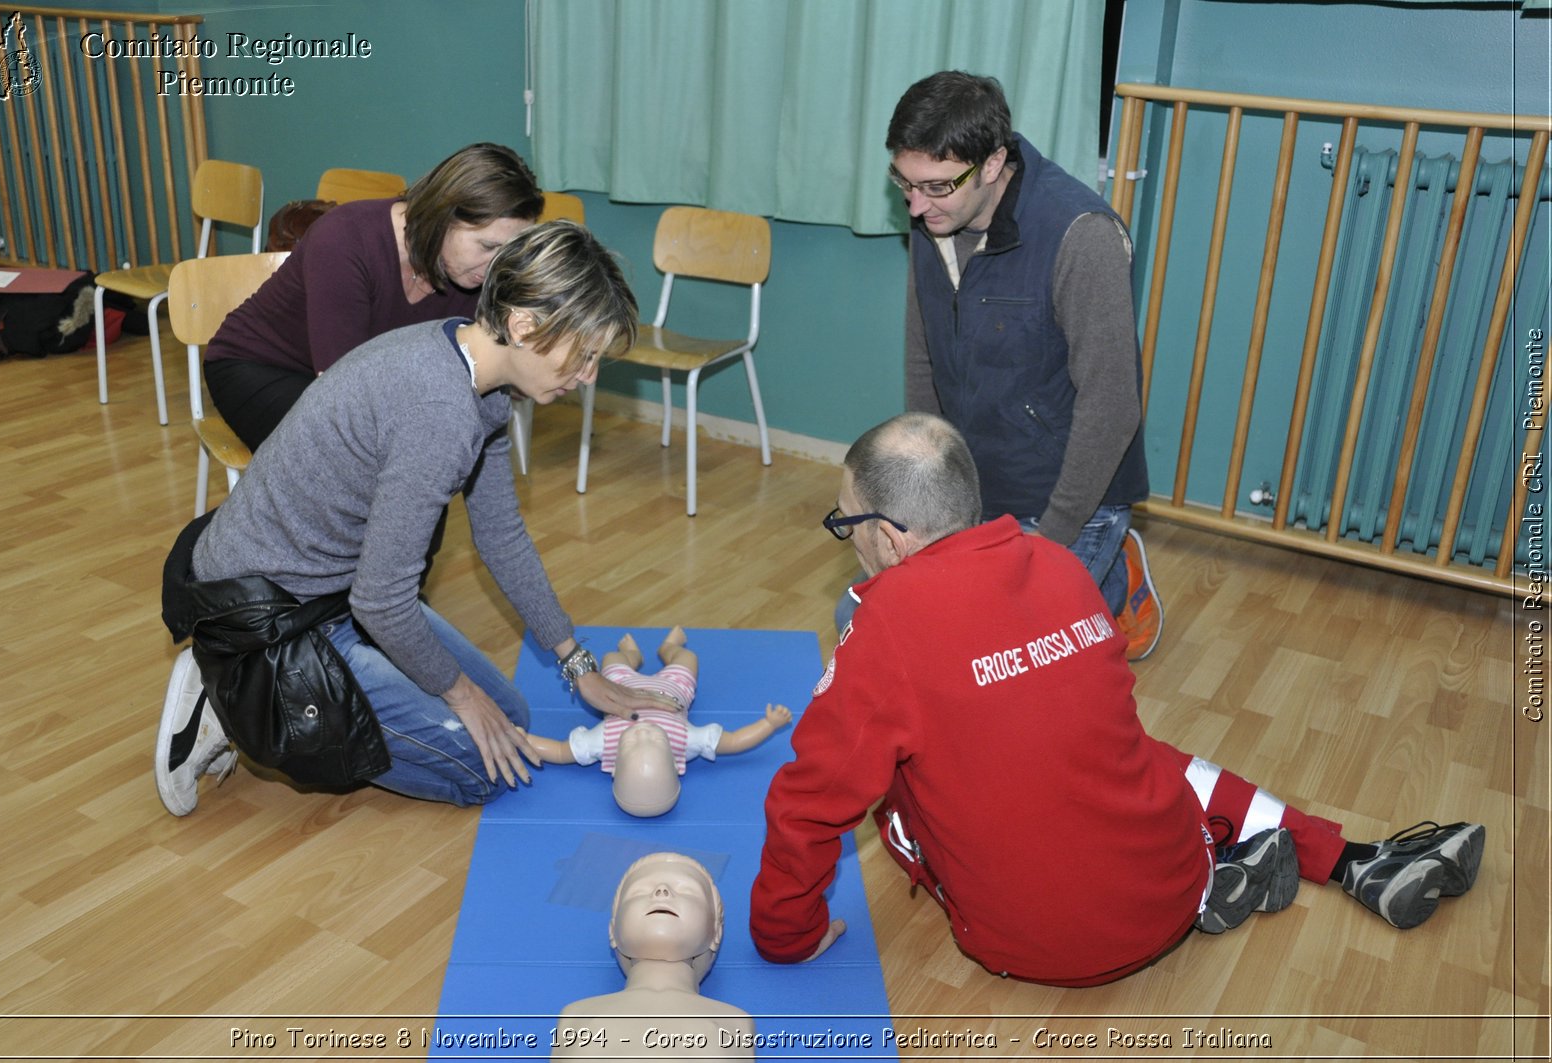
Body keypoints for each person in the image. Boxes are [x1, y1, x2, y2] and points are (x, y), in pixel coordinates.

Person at [751, 412, 1486, 986]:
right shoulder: (1061, 566)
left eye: (845, 524)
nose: (846, 539)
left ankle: (1241, 871)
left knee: (890, 773)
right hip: (1167, 895)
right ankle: (1344, 860)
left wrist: (787, 938)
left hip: (1027, 948)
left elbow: (809, 802)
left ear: (887, 536)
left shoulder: (887, 628)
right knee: (1134, 752)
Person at [156, 221, 673, 815]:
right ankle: (230, 694)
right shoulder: (439, 410)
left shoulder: (477, 368)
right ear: (526, 326)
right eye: (584, 357)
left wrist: (576, 662)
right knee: (488, 772)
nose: (588, 378)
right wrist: (460, 696)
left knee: (514, 721)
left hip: (332, 591)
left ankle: (287, 679)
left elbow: (501, 536)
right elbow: (382, 599)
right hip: (267, 610)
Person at [870, 70, 1163, 660]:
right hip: (979, 479)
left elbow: (1112, 404)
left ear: (994, 163)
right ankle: (1101, 581)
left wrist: (1055, 538)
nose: (915, 203)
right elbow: (922, 350)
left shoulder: (1082, 235)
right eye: (904, 182)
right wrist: (927, 486)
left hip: (1072, 489)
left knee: (1003, 656)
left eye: (934, 187)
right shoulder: (935, 208)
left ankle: (1108, 560)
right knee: (912, 619)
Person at [203, 142, 543, 452]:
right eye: (487, 246)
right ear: (443, 216)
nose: (496, 264)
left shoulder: (474, 271)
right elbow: (345, 390)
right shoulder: (344, 240)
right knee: (371, 455)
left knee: (425, 447)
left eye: (509, 250)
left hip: (355, 383)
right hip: (260, 366)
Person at [520, 627, 794, 816]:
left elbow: (558, 751)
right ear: (677, 762)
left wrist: (522, 739)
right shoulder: (685, 742)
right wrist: (768, 725)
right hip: (672, 688)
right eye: (654, 741)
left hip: (620, 688)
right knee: (689, 658)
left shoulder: (604, 742)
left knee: (610, 659)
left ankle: (631, 657)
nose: (644, 732)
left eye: (634, 743)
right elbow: (733, 742)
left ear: (614, 765)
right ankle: (670, 648)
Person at [553, 852, 754, 1059]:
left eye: (687, 891)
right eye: (639, 891)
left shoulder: (735, 1025)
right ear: (613, 930)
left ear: (716, 932)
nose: (662, 891)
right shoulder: (575, 1018)